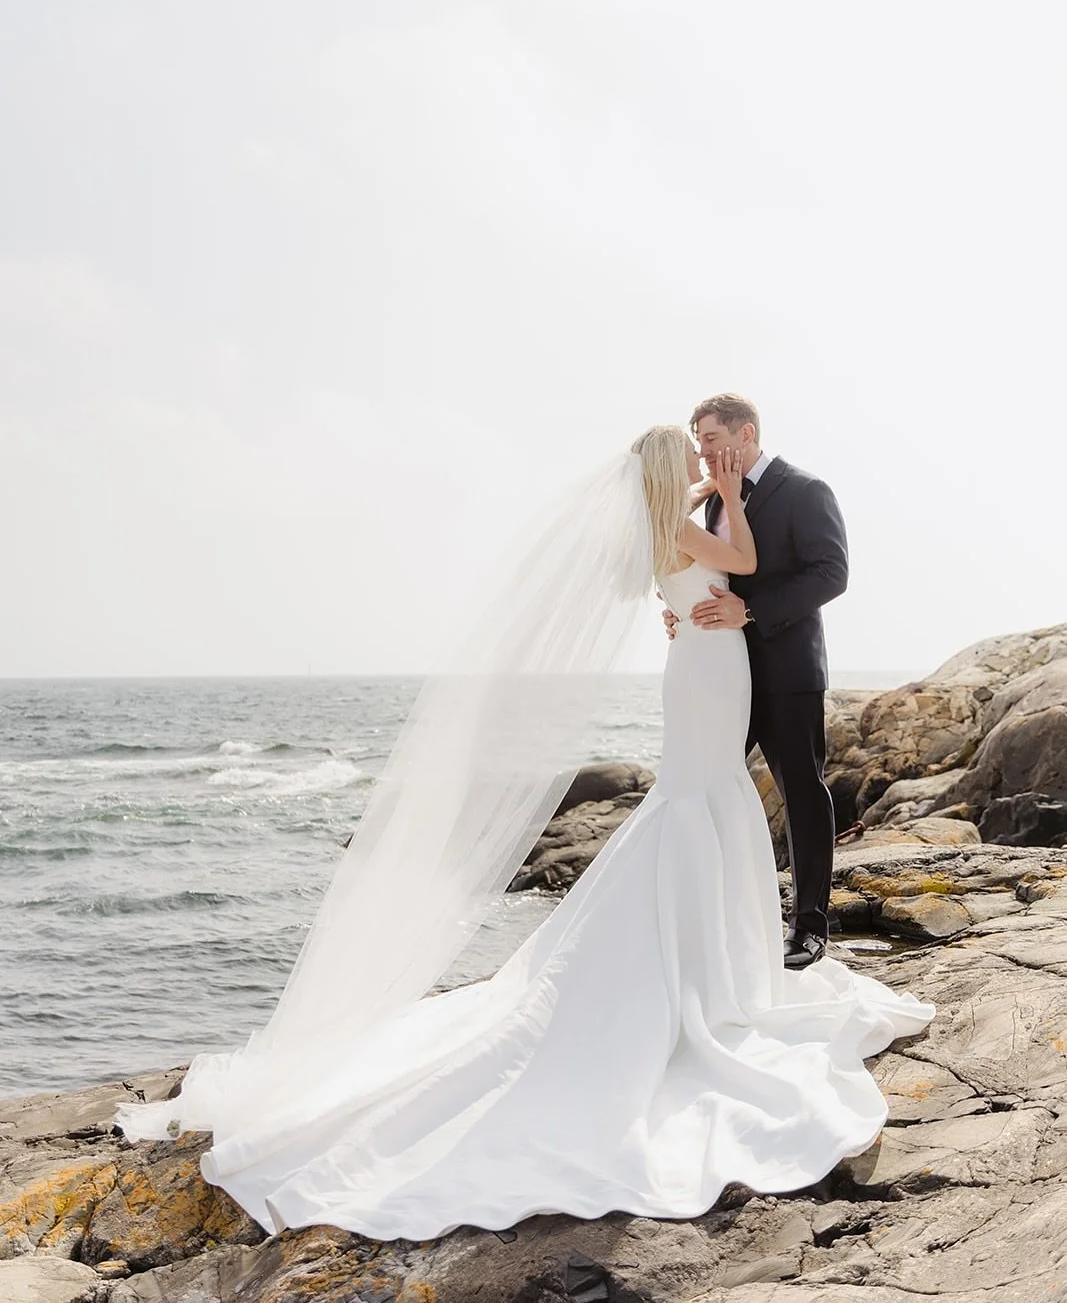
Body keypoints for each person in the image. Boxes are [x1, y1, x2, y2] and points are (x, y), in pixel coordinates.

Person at [116, 426, 933, 1242]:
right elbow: (745, 565)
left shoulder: (674, 510)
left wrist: (706, 515)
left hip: (716, 668)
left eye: (709, 445)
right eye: (687, 451)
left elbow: (788, 569)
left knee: (706, 797)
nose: (699, 457)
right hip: (709, 671)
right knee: (698, 799)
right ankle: (695, 965)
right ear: (665, 469)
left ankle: (716, 952)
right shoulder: (690, 510)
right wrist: (720, 498)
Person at [662, 395, 848, 971]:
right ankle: (702, 922)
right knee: (702, 785)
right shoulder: (709, 500)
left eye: (711, 439)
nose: (704, 452)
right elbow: (696, 565)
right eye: (698, 443)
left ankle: (809, 927)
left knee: (801, 791)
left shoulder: (804, 490)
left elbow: (831, 573)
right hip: (721, 677)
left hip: (787, 671)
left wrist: (752, 610)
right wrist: (677, 606)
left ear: (745, 434)